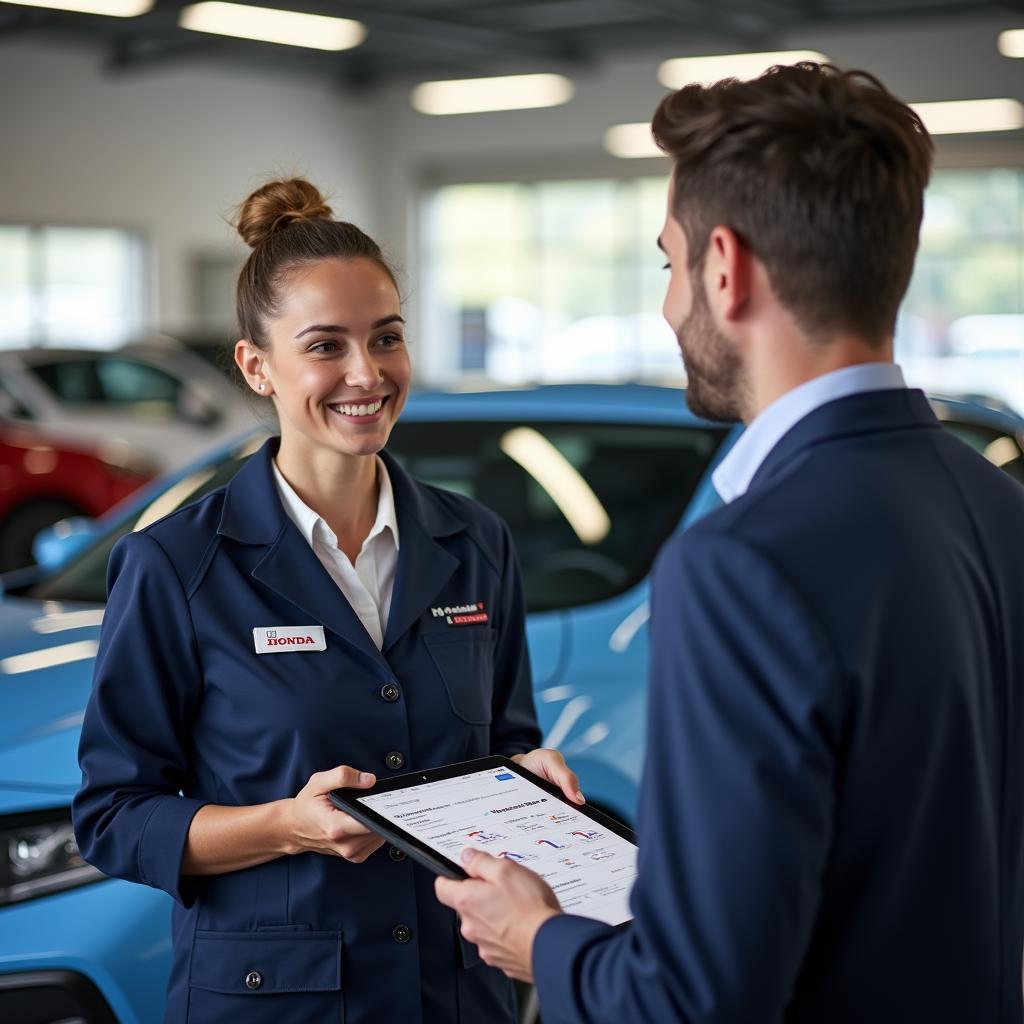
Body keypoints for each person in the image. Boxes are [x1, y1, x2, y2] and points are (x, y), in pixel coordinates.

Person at [436, 63, 1024, 1023]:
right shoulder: (997, 505)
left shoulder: (742, 564)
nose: (670, 306)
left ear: (725, 267)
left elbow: (696, 1002)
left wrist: (538, 937)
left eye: (668, 264)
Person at [73, 177, 583, 1024]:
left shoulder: (475, 542)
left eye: (387, 337)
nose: (366, 374)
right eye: (325, 346)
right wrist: (288, 826)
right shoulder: (177, 564)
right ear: (256, 366)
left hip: (452, 991)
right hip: (277, 1000)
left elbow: (507, 735)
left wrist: (523, 778)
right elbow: (115, 818)